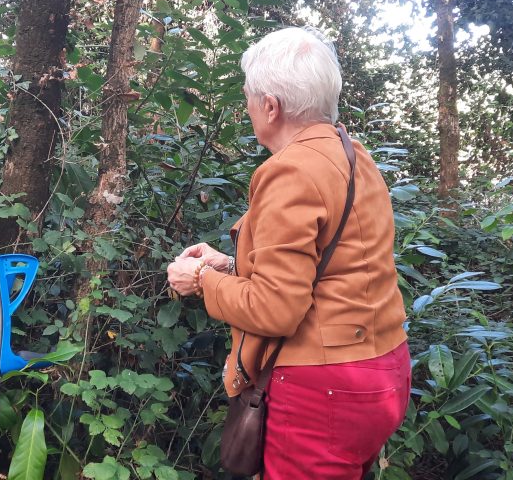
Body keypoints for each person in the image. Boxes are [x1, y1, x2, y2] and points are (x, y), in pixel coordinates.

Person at [167, 27, 410, 479]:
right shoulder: (352, 153)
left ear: (270, 106)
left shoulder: (289, 171)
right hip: (384, 369)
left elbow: (276, 309)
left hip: (324, 391)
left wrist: (201, 280)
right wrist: (228, 263)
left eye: (249, 98)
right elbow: (335, 262)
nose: (248, 108)